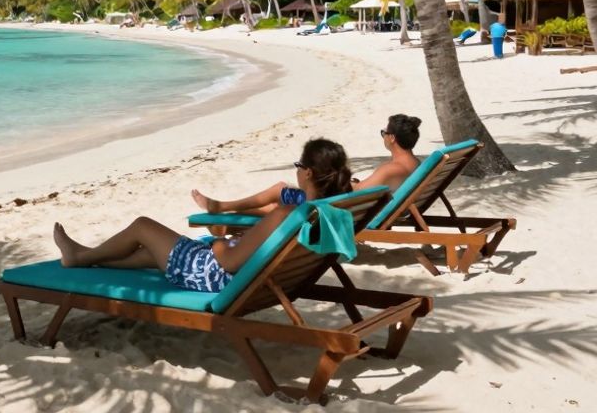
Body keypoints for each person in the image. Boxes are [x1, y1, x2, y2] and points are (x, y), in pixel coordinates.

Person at [53, 139, 352, 293]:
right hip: (264, 282)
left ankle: (78, 258)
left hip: (215, 277)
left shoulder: (290, 212)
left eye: (299, 165)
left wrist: (219, 242)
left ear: (309, 172)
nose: (296, 170)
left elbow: (230, 261)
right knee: (150, 254)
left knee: (143, 226)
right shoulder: (331, 211)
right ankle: (90, 256)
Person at [191, 115, 423, 216]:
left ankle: (222, 207)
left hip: (346, 210)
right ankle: (225, 209)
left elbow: (358, 193)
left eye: (384, 132)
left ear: (391, 138)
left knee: (279, 191)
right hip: (361, 209)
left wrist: (347, 181)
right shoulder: (415, 164)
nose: (383, 135)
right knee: (278, 205)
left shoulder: (391, 169)